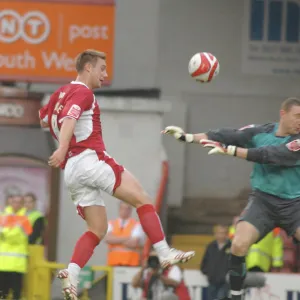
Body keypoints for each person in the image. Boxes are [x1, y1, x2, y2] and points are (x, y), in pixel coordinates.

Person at [39, 49, 195, 300]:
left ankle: (72, 272)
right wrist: (62, 146)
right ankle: (165, 252)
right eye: (102, 68)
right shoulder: (83, 92)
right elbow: (70, 117)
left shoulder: (60, 93)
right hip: (90, 159)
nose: (105, 74)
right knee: (142, 199)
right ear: (88, 68)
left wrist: (63, 143)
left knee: (97, 229)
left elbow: (45, 120)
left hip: (72, 171)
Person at [162, 97, 300, 300]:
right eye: (297, 116)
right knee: (238, 245)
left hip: (293, 205)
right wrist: (188, 137)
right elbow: (228, 135)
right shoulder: (260, 132)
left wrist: (231, 151)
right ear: (283, 114)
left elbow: (270, 155)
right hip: (263, 203)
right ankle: (236, 296)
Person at [0, 195, 32, 299]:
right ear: (10, 203)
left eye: (19, 202)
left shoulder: (25, 219)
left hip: (17, 263)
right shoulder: (3, 216)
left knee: (16, 293)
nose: (16, 204)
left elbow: (24, 236)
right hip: (3, 262)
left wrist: (6, 233)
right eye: (14, 202)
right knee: (2, 293)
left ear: (22, 204)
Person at [105, 202, 145, 266]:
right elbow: (108, 239)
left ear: (130, 210)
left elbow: (134, 243)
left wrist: (115, 239)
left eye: (127, 209)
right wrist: (129, 237)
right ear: (119, 209)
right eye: (122, 208)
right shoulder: (111, 223)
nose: (124, 211)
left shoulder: (137, 225)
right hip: (113, 263)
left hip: (131, 263)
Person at [201, 225, 231, 300]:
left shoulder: (231, 246)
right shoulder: (210, 246)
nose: (221, 235)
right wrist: (208, 273)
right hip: (212, 281)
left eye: (223, 233)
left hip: (225, 282)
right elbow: (205, 262)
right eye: (219, 233)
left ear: (227, 234)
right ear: (215, 234)